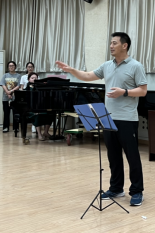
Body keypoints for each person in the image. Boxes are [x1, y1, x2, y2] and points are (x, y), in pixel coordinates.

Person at [56, 32, 148, 207]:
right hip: (108, 118)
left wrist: (124, 92)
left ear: (124, 46)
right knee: (113, 156)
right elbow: (88, 76)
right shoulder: (107, 65)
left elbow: (143, 91)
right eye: (110, 43)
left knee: (132, 156)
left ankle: (137, 191)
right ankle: (116, 188)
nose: (111, 46)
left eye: (114, 43)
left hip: (127, 119)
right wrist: (71, 70)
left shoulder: (136, 66)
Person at [26, 73, 54, 141]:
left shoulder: (41, 87)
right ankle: (39, 134)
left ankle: (46, 132)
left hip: (41, 106)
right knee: (37, 115)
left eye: (36, 78)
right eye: (32, 78)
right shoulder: (27, 87)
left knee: (50, 114)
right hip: (31, 109)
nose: (34, 79)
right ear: (29, 79)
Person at [0, 61, 21, 135]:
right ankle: (6, 127)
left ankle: (16, 127)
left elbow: (18, 85)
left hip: (15, 97)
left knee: (15, 112)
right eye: (9, 66)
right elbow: (2, 84)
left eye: (12, 65)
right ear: (8, 67)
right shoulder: (5, 75)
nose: (11, 67)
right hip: (6, 97)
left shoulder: (18, 76)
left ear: (15, 67)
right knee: (6, 113)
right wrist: (7, 92)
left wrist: (11, 91)